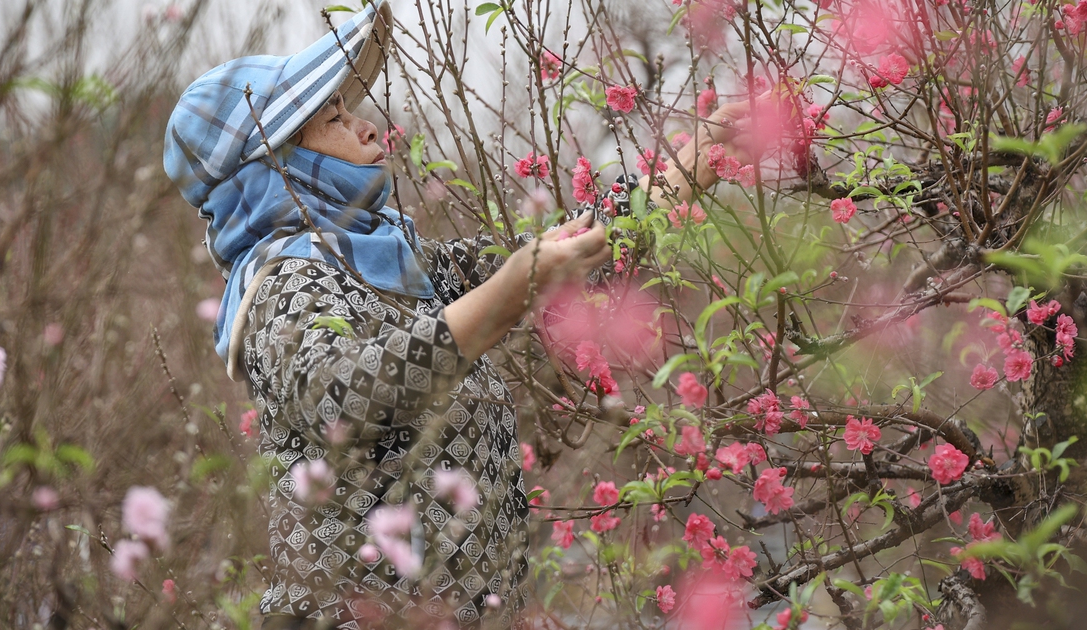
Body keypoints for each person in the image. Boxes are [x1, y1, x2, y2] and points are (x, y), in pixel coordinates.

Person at [163, 2, 755, 628]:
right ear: (276, 166)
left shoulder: (397, 264)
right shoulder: (283, 287)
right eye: (333, 119)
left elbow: (569, 252)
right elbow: (344, 396)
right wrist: (506, 294)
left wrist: (693, 162)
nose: (367, 127)